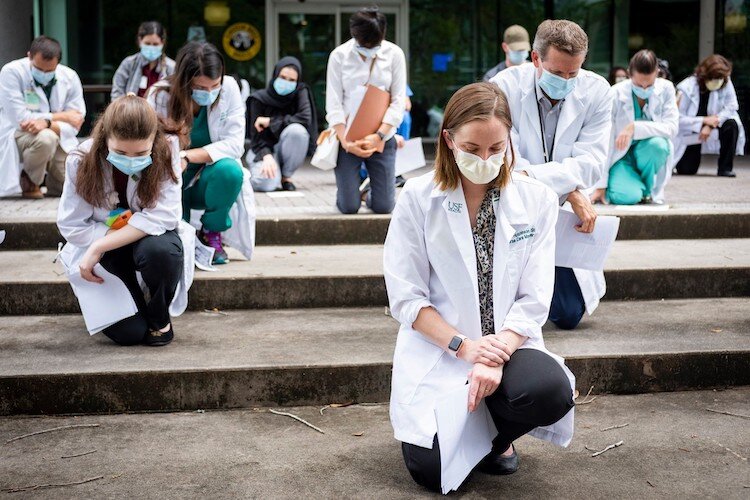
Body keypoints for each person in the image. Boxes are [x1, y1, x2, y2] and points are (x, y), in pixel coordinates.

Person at [384, 82, 575, 493]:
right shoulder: (418, 198)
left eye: (496, 148)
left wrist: (496, 352)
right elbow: (406, 297)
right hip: (443, 346)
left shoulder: (536, 200)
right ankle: (474, 431)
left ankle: (496, 438)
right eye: (472, 149)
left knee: (550, 391)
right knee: (431, 473)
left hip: (510, 342)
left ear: (509, 142)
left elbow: (535, 297)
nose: (485, 159)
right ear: (449, 140)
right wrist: (466, 348)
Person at [490, 20, 613, 330]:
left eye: (574, 73)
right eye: (558, 73)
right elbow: (506, 163)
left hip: (560, 209)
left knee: (569, 313)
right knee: (501, 307)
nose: (567, 80)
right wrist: (570, 190)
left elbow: (592, 162)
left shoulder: (597, 90)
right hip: (515, 200)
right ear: (535, 59)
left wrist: (553, 182)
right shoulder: (503, 88)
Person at [57, 95, 184, 346]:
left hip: (140, 241)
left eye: (141, 152)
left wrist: (99, 246)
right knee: (130, 334)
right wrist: (105, 244)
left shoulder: (167, 149)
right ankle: (132, 300)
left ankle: (159, 316)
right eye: (120, 151)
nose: (130, 159)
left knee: (162, 252)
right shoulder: (80, 159)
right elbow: (72, 224)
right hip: (105, 245)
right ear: (105, 139)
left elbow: (165, 214)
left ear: (154, 141)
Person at [147, 41, 249, 265]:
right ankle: (180, 235)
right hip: (171, 177)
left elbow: (234, 144)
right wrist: (176, 158)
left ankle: (211, 231)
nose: (210, 93)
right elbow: (151, 144)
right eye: (201, 88)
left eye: (215, 86)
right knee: (177, 248)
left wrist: (187, 156)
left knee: (231, 171)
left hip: (208, 179)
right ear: (185, 81)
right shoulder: (160, 95)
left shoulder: (230, 88)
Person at [325, 6, 406, 214]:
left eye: (375, 44)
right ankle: (347, 193)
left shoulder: (394, 54)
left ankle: (371, 192)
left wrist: (378, 136)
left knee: (384, 206)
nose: (370, 48)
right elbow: (333, 103)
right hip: (347, 137)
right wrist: (346, 142)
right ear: (355, 35)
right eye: (365, 44)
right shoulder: (339, 56)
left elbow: (398, 101)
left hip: (381, 136)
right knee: (349, 207)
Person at [0, 35, 85, 199]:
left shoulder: (70, 76)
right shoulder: (11, 72)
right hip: (19, 134)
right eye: (39, 69)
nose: (44, 73)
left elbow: (76, 121)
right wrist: (62, 116)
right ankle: (30, 180)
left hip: (60, 137)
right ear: (29, 56)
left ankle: (52, 185)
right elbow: (21, 119)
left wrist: (46, 123)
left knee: (73, 190)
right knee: (46, 139)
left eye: (49, 71)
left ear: (58, 64)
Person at [592, 50, 678, 205]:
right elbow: (607, 140)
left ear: (657, 73)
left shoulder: (666, 89)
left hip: (648, 155)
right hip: (621, 157)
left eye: (649, 84)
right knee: (626, 197)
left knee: (658, 145)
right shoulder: (615, 93)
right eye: (639, 84)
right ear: (629, 74)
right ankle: (635, 187)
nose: (644, 89)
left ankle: (646, 190)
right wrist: (601, 184)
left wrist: (634, 127)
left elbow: (671, 128)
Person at [246, 56, 317, 192]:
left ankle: (286, 177)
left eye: (292, 80)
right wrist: (267, 156)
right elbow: (255, 136)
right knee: (265, 184)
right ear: (275, 75)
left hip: (284, 149)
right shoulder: (258, 99)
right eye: (283, 77)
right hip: (261, 149)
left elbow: (304, 118)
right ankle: (243, 178)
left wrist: (270, 122)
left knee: (297, 131)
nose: (286, 83)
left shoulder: (299, 93)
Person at [673, 54, 745, 177]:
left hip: (716, 124)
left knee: (731, 124)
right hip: (691, 129)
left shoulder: (725, 82)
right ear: (704, 76)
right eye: (714, 78)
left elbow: (732, 106)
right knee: (686, 170)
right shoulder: (686, 88)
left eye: (720, 78)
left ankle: (725, 168)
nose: (717, 81)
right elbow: (678, 118)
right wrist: (704, 120)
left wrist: (712, 124)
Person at [111, 21, 175, 100]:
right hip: (131, 111)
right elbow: (116, 93)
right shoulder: (128, 63)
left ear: (162, 42)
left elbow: (176, 97)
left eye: (155, 44)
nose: (151, 47)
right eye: (147, 43)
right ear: (140, 40)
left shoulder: (171, 67)